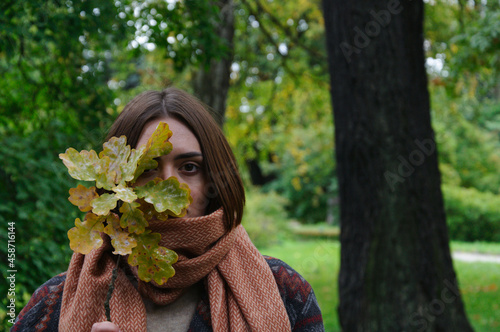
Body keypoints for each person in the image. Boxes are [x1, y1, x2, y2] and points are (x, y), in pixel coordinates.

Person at [11, 88, 324, 332]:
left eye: (190, 167)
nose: (170, 186)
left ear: (215, 178)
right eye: (147, 169)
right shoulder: (55, 303)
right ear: (117, 183)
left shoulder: (284, 291)